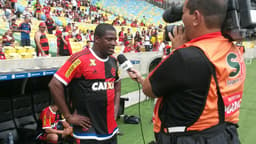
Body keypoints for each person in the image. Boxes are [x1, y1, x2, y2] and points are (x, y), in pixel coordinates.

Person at [127, 0, 246, 144]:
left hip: (192, 138)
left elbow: (148, 89)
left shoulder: (186, 57)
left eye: (183, 14)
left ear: (196, 17)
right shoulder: (233, 47)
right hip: (224, 133)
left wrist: (177, 51)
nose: (181, 22)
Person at [48, 23, 121, 144]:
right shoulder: (80, 59)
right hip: (88, 131)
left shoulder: (113, 61)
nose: (114, 43)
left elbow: (117, 84)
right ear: (96, 39)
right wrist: (69, 117)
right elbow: (55, 84)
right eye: (109, 39)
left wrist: (116, 107)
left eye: (115, 40)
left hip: (110, 129)